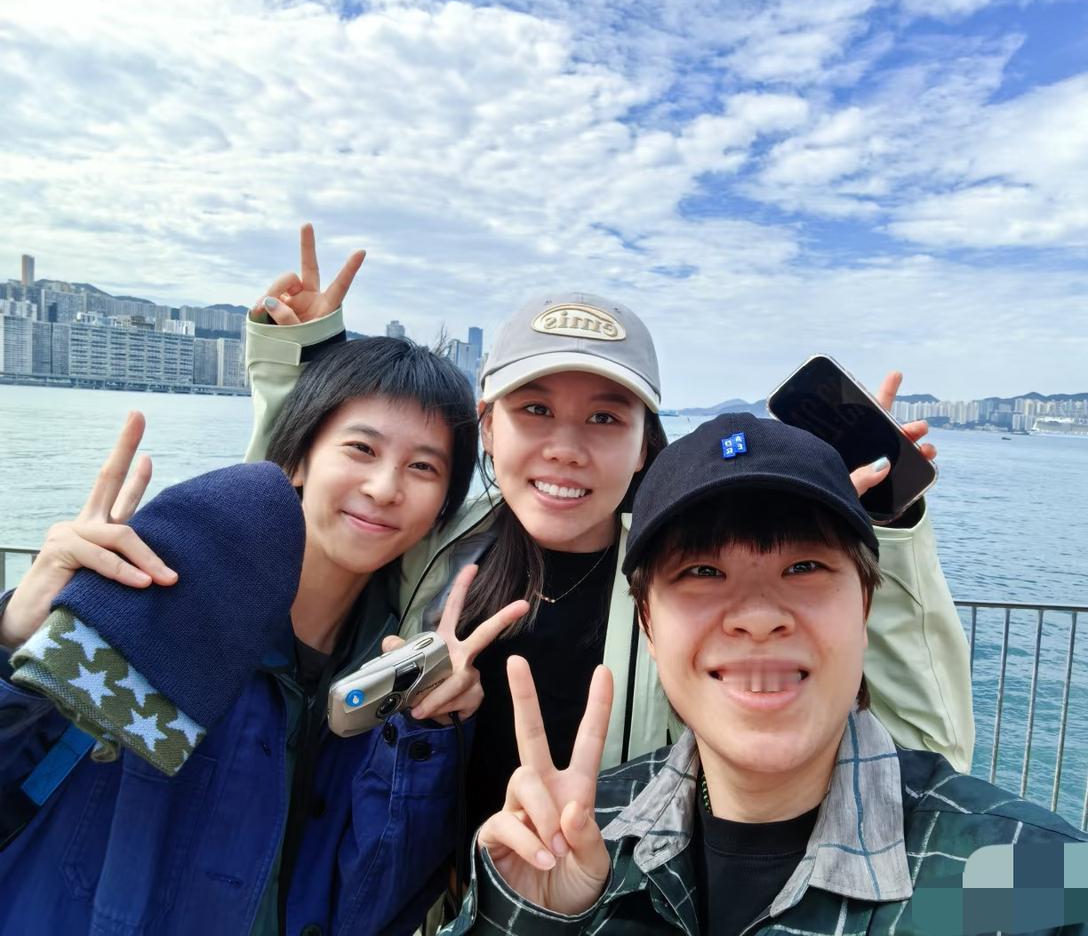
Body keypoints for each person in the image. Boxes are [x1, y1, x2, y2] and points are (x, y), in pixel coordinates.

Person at [243, 226, 975, 849]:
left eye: (604, 418)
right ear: (487, 427)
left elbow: (923, 753)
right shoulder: (433, 546)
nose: (566, 449)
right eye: (534, 410)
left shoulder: (690, 588)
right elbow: (288, 538)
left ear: (644, 445)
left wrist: (878, 531)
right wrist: (297, 367)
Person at [446, 412, 1088, 936]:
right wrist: (528, 919)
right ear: (647, 621)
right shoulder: (582, 838)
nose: (757, 616)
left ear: (865, 603)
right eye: (702, 572)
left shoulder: (1028, 876)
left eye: (804, 567)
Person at [0, 337, 521, 935]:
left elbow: (374, 908)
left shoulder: (391, 676)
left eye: (423, 467)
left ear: (443, 507)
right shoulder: (164, 601)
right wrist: (14, 635)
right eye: (361, 448)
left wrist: (428, 735)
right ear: (297, 459)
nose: (384, 487)